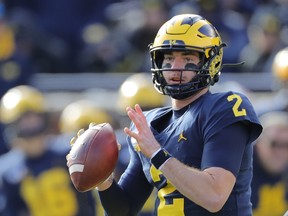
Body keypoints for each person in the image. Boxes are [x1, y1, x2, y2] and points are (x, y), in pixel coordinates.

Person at [68, 14, 263, 215]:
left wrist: (156, 152)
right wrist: (103, 179)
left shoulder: (224, 108)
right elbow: (124, 210)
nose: (175, 67)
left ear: (210, 61)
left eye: (187, 58)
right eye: (169, 58)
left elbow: (214, 196)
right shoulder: (148, 123)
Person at [0, 85, 96, 216]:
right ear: (13, 126)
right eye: (25, 121)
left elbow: (89, 202)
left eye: (34, 119)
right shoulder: (7, 171)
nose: (31, 125)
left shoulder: (68, 153)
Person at [251, 111, 288, 216]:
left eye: (287, 145)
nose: (281, 152)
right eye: (274, 144)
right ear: (258, 144)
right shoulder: (239, 175)